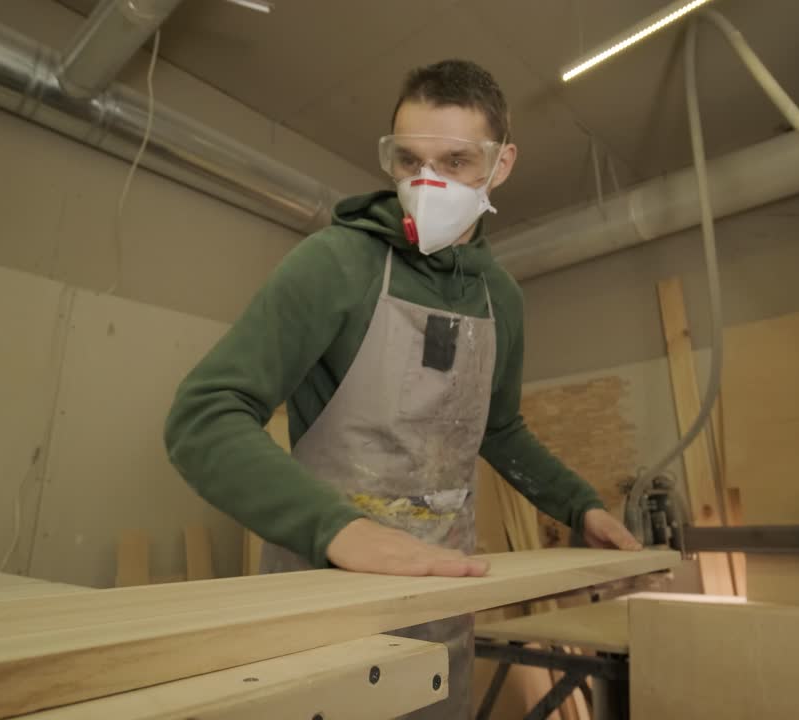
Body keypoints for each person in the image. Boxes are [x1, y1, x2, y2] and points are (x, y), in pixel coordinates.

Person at [164, 58, 641, 719]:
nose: (428, 183)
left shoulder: (501, 299)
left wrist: (578, 505)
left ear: (501, 164)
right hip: (324, 600)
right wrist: (335, 527)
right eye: (410, 161)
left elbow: (498, 429)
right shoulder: (337, 263)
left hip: (440, 603)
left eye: (456, 162)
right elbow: (203, 416)